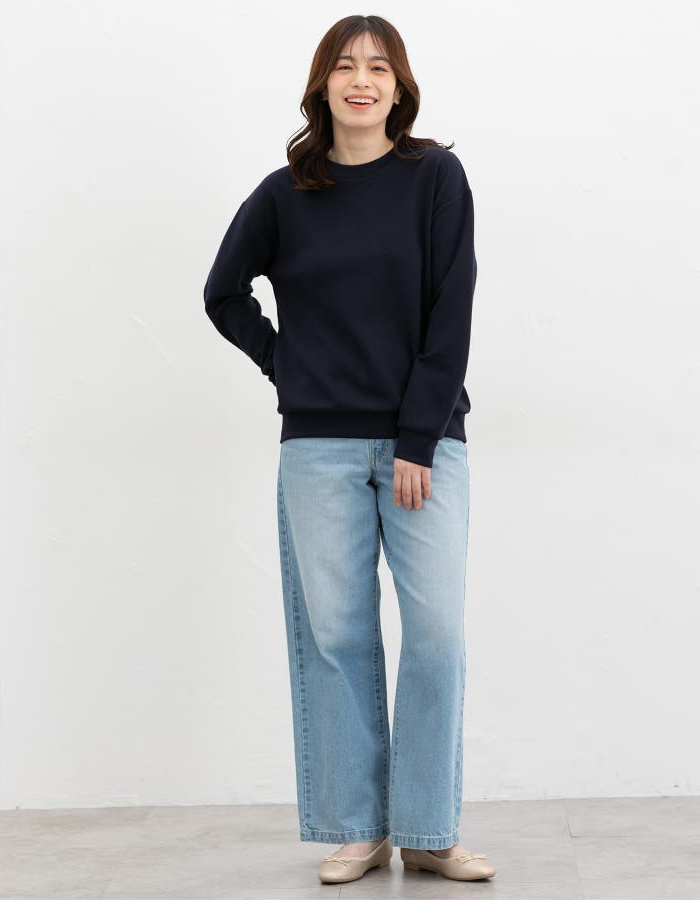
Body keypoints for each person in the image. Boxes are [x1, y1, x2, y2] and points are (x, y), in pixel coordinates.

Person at [203, 15, 496, 885]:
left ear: (400, 87)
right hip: (318, 450)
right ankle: (360, 828)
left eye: (378, 67)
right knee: (336, 638)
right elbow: (222, 292)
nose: (361, 80)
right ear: (321, 85)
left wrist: (417, 438)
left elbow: (451, 311)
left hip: (424, 447)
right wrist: (287, 366)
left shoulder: (435, 178)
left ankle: (429, 830)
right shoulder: (283, 195)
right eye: (344, 66)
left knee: (436, 638)